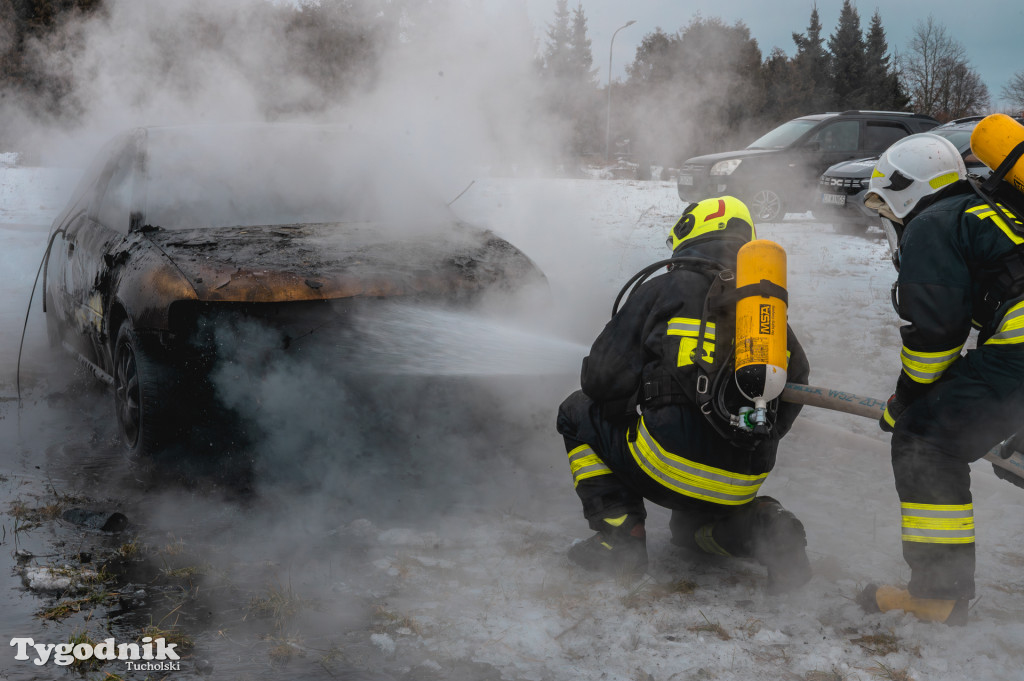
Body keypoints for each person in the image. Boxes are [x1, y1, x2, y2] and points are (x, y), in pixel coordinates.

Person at [555, 195, 812, 593]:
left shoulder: (665, 288)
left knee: (576, 410)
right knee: (688, 532)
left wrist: (636, 406)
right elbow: (797, 382)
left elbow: (601, 380)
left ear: (688, 234)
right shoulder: (765, 312)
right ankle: (771, 532)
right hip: (742, 479)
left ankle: (620, 539)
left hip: (666, 465)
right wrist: (751, 435)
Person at [859, 132, 1024, 626]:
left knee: (927, 441)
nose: (891, 221)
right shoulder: (987, 208)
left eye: (887, 208)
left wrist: (905, 403)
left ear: (905, 189)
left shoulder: (932, 222)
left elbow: (934, 335)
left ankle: (938, 594)